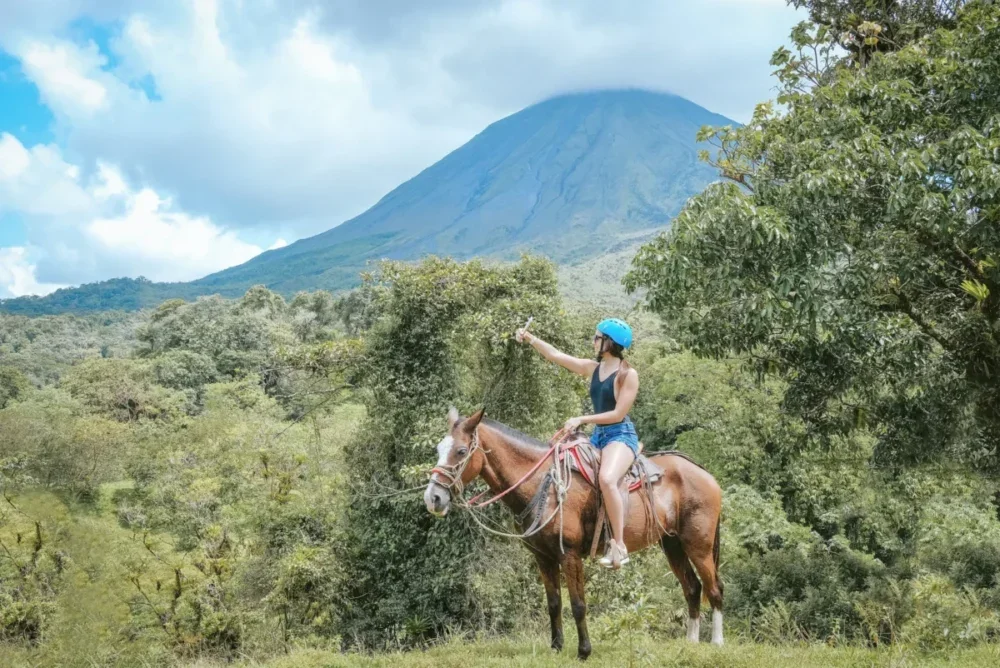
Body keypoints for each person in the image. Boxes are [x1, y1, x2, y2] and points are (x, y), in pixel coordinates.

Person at [516, 318, 639, 568]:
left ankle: (620, 545)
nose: (593, 341)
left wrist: (581, 418)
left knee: (606, 479)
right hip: (598, 437)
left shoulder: (628, 375)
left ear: (609, 342)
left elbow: (617, 414)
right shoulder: (594, 368)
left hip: (619, 435)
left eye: (597, 337)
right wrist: (530, 338)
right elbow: (556, 355)